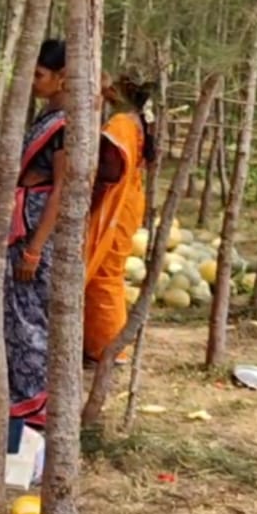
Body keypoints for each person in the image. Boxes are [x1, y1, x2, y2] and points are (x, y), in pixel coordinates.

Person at [0, 39, 69, 428]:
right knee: (3, 316)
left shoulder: (64, 126)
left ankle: (28, 413)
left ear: (62, 78)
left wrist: (35, 249)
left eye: (39, 75)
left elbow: (61, 188)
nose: (33, 81)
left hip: (34, 236)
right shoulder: (46, 116)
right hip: (18, 230)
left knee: (26, 324)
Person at [83, 71, 155, 363]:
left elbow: (110, 169)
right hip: (128, 201)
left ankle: (106, 348)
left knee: (104, 275)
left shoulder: (121, 123)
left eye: (111, 86)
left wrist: (91, 200)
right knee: (107, 271)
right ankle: (95, 343)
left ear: (123, 90)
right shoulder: (137, 120)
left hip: (115, 202)